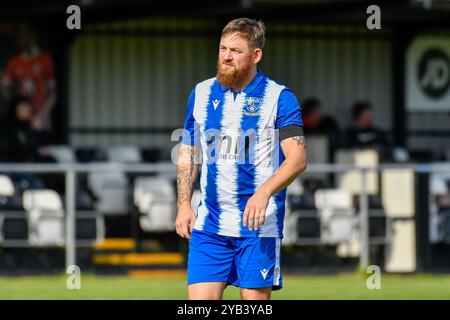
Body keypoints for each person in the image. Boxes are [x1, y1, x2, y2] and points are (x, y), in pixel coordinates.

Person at [176, 18, 307, 300]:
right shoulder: (200, 93)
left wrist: (263, 193)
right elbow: (188, 151)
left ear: (256, 55)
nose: (225, 56)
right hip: (209, 225)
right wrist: (184, 203)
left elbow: (296, 159)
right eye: (222, 48)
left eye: (235, 51)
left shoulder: (280, 98)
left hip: (258, 227)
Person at [1, 23, 57, 131]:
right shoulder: (14, 62)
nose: (22, 38)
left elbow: (53, 94)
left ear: (33, 35)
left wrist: (41, 114)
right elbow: (6, 92)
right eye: (20, 34)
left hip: (41, 116)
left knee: (41, 143)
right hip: (21, 118)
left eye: (25, 33)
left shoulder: (45, 60)